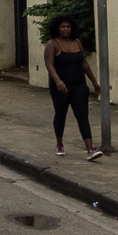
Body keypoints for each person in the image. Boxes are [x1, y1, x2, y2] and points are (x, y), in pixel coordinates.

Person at [43, 15, 103, 161]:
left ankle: (90, 149)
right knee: (60, 113)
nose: (65, 29)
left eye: (68, 27)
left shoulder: (77, 42)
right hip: (61, 86)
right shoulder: (52, 44)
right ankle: (59, 144)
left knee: (82, 114)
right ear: (57, 28)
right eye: (63, 27)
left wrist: (94, 82)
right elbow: (49, 65)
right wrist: (57, 80)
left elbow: (84, 64)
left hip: (79, 85)